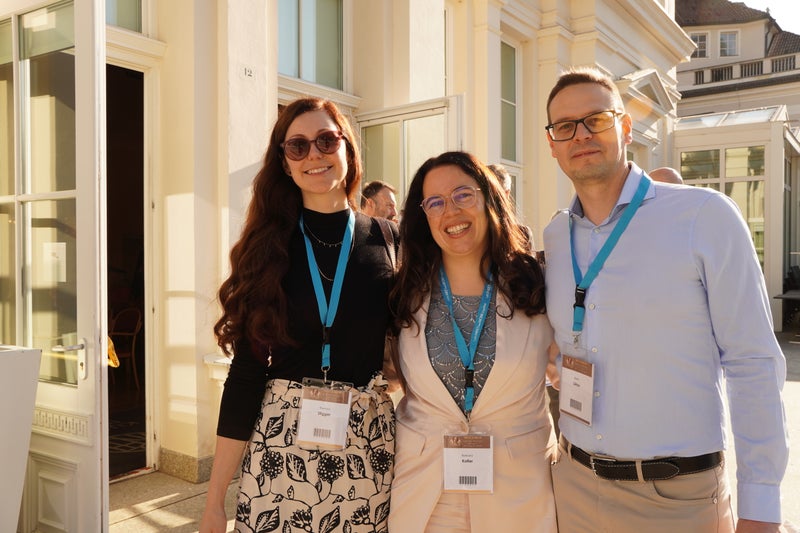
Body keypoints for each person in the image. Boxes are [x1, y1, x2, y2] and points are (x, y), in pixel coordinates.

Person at [542, 66, 788, 532]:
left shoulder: (703, 217)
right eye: (565, 126)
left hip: (676, 499)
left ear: (625, 127)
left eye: (596, 119)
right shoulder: (555, 237)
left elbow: (752, 361)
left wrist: (761, 506)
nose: (581, 135)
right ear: (552, 144)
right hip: (573, 486)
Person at [200, 97, 397, 533]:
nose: (314, 155)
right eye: (298, 146)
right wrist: (215, 501)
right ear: (285, 163)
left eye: (326, 140)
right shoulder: (266, 250)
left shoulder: (388, 241)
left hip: (367, 449)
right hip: (280, 451)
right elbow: (246, 375)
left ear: (347, 149)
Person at [388, 151, 557, 532]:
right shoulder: (404, 293)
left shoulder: (537, 285)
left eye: (462, 195)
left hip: (518, 493)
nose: (451, 211)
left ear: (489, 198)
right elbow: (387, 375)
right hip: (426, 495)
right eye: (435, 202)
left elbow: (570, 367)